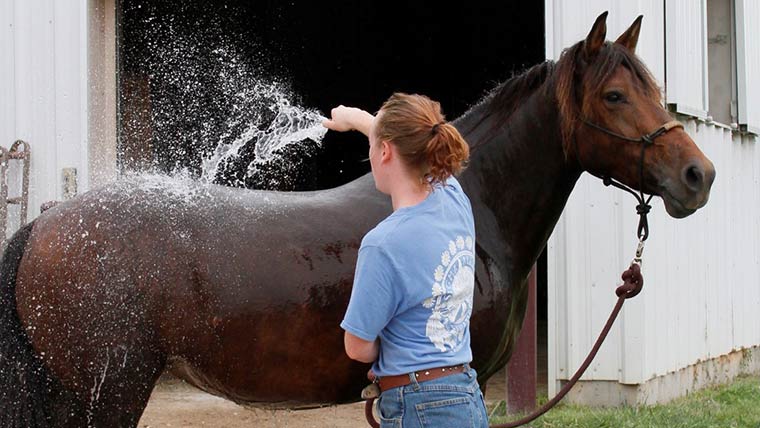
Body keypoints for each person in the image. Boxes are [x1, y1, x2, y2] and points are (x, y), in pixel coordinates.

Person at [323, 93, 488, 428]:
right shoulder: (454, 198)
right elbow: (408, 136)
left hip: (418, 406)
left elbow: (356, 347)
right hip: (465, 394)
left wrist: (389, 347)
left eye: (374, 145)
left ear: (384, 151)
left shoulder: (383, 244)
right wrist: (356, 118)